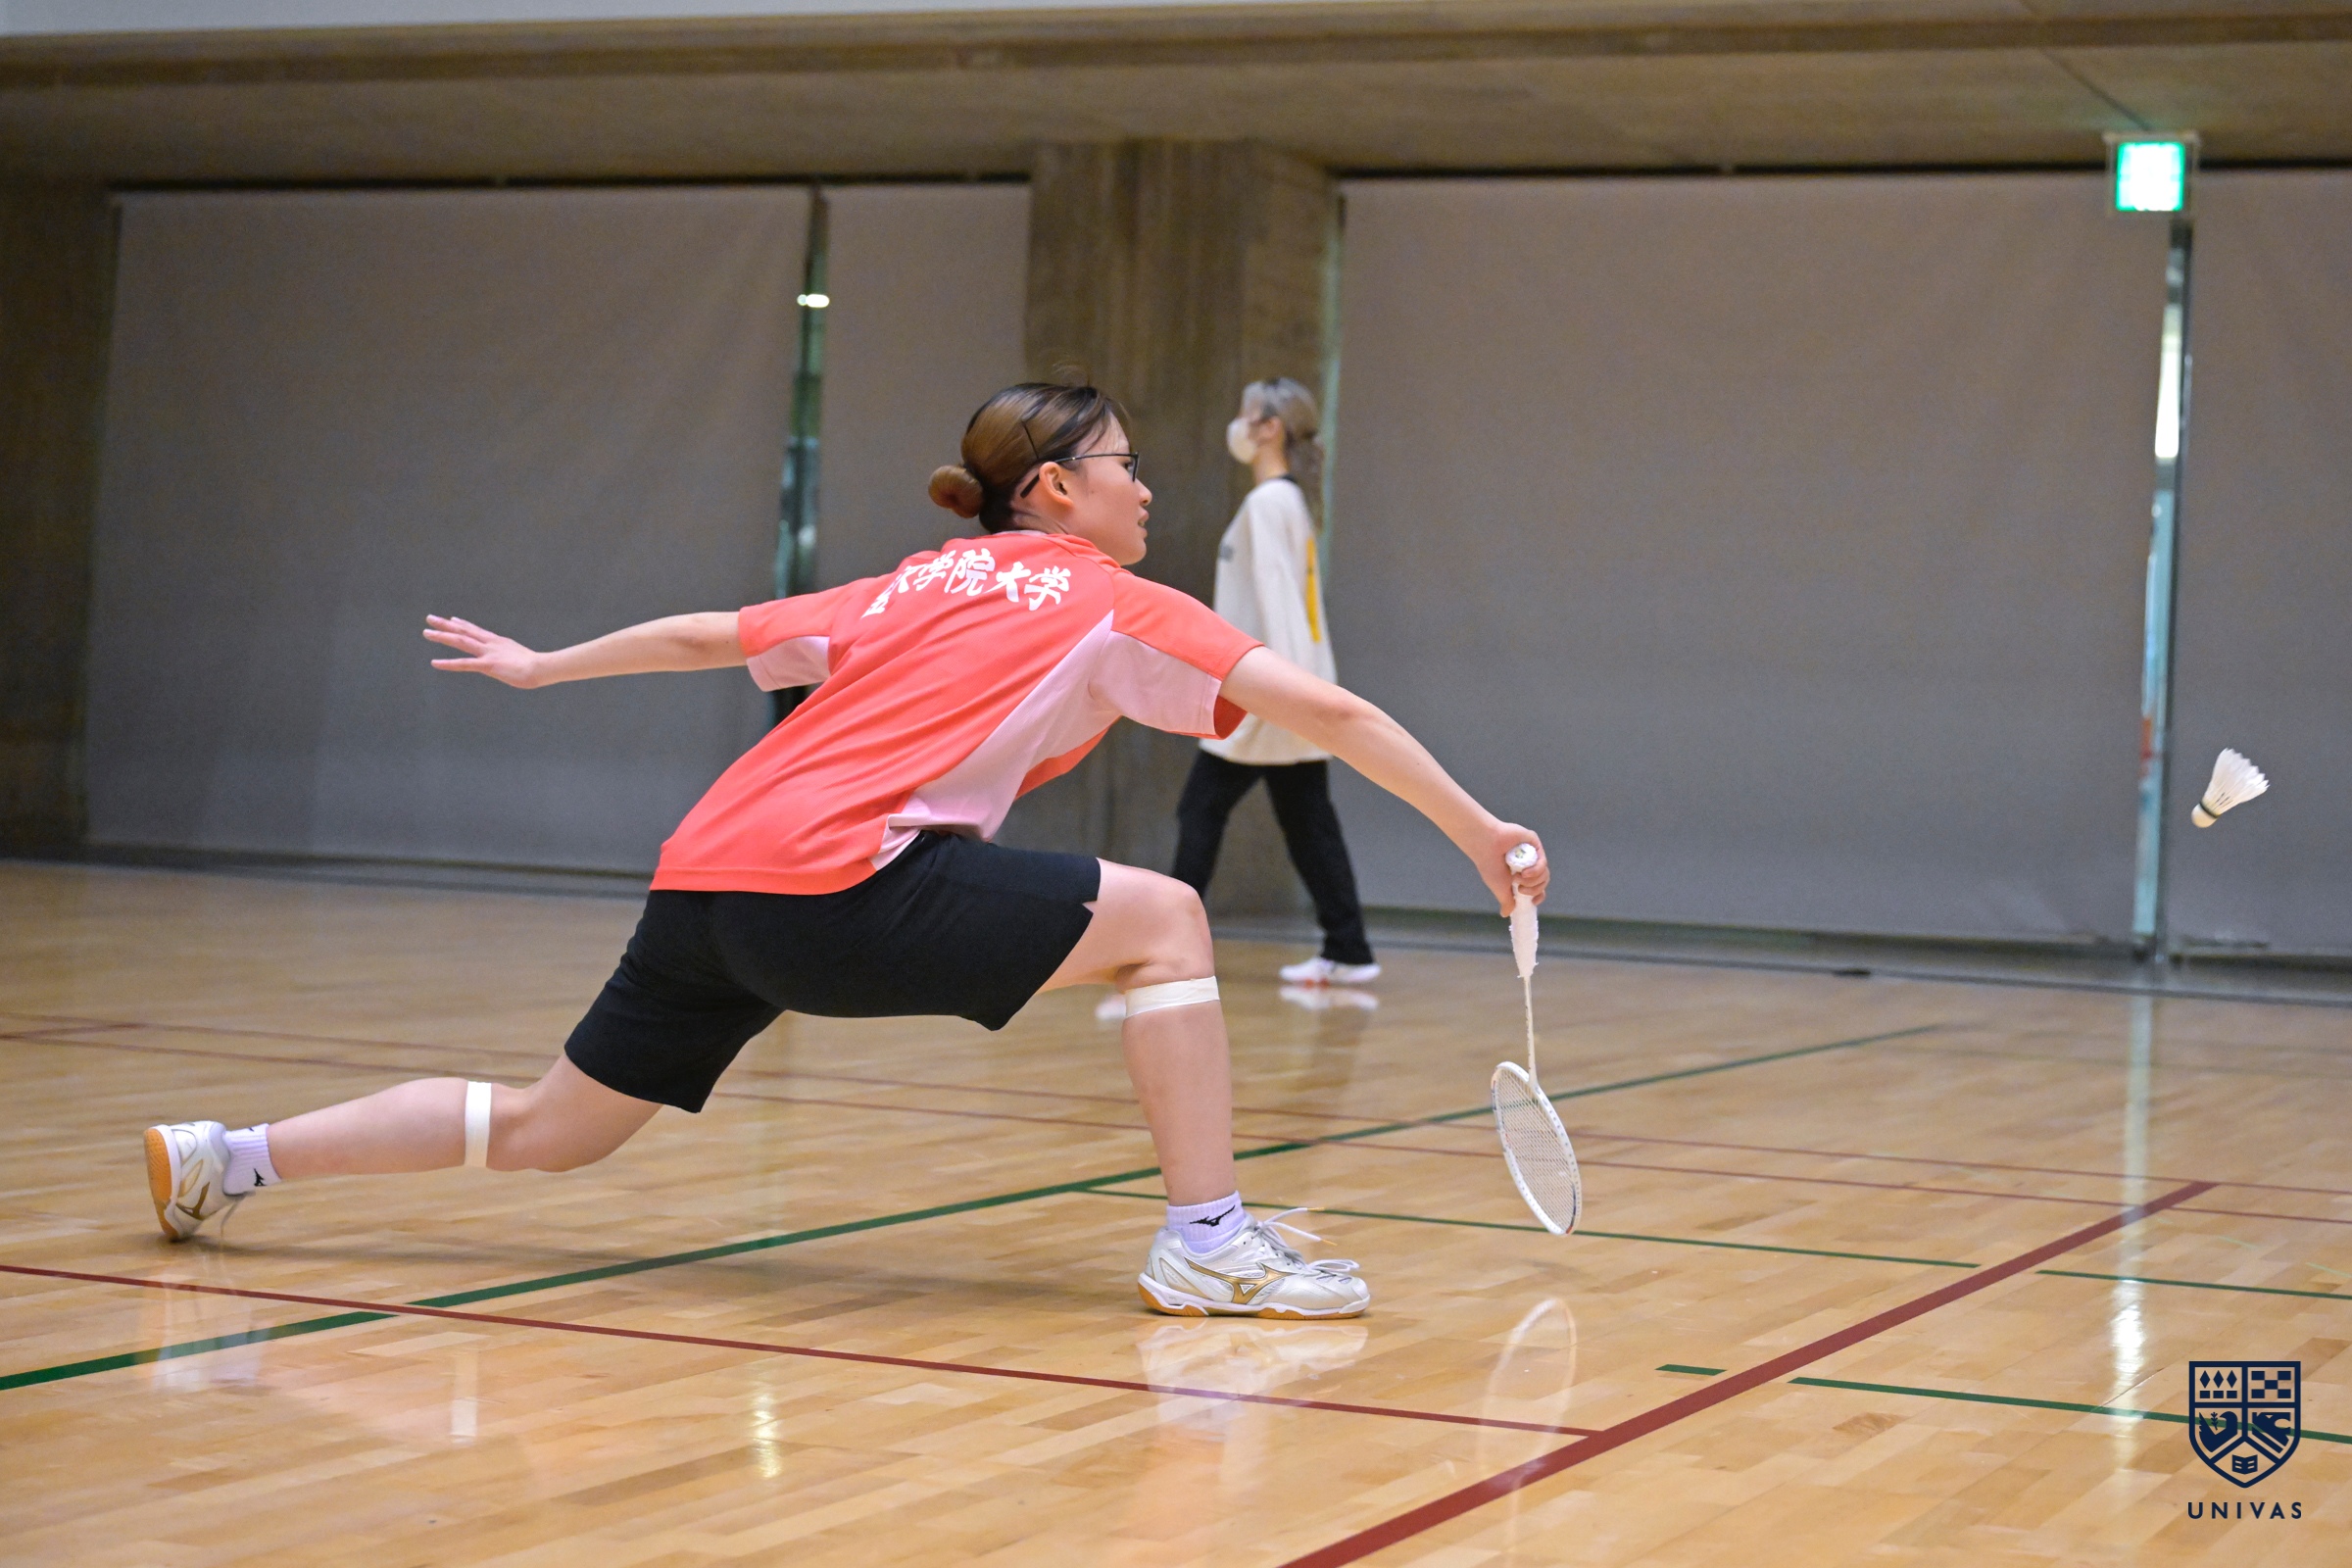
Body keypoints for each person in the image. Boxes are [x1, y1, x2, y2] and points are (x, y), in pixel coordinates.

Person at [142, 382, 1546, 1320]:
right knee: (1170, 917)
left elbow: (710, 634)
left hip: (706, 877)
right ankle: (1210, 1244)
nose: (1146, 489)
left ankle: (230, 1156)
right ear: (1056, 488)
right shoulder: (1106, 597)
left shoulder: (909, 582)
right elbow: (1331, 711)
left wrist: (544, 665)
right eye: (1126, 466)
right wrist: (1481, 832)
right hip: (841, 881)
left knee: (545, 1130)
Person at [1173, 378, 1379, 987]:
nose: (1236, 425)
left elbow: (1277, 600)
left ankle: (1168, 945)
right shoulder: (1287, 500)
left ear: (1269, 429)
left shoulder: (1269, 503)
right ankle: (1349, 948)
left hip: (1268, 694)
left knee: (1201, 811)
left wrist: (1288, 694)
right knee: (1308, 823)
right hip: (1290, 691)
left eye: (1246, 414)